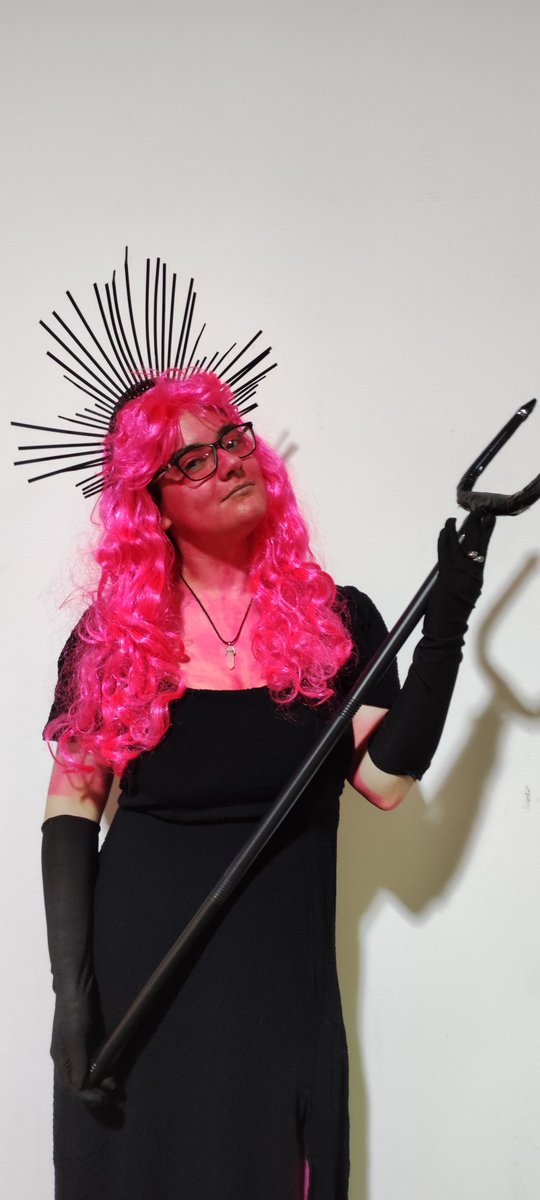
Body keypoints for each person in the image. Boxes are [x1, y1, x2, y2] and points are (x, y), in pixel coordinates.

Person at [41, 369, 495, 1200]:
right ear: (152, 504)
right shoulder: (114, 638)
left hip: (277, 986)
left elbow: (386, 780)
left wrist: (448, 622)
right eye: (192, 460)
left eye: (232, 439)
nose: (228, 462)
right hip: (139, 985)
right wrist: (72, 994)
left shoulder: (332, 620)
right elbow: (72, 805)